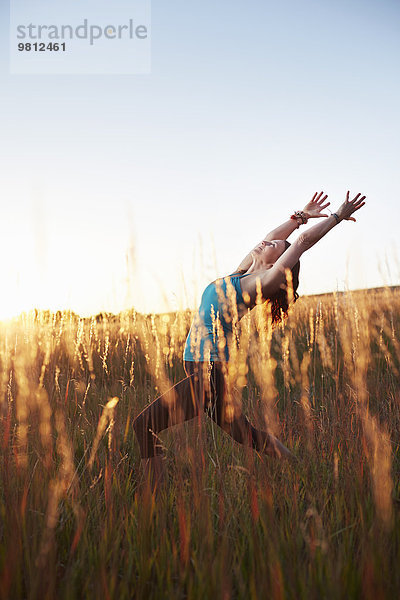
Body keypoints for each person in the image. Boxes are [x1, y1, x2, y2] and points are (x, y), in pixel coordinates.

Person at [133, 191, 366, 489]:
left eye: (276, 248)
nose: (268, 241)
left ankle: (156, 493)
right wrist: (300, 216)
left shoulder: (259, 284)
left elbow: (301, 243)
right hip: (205, 370)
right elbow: (275, 236)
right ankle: (306, 475)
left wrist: (335, 217)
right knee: (246, 435)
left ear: (276, 265)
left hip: (208, 373)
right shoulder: (241, 273)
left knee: (145, 425)